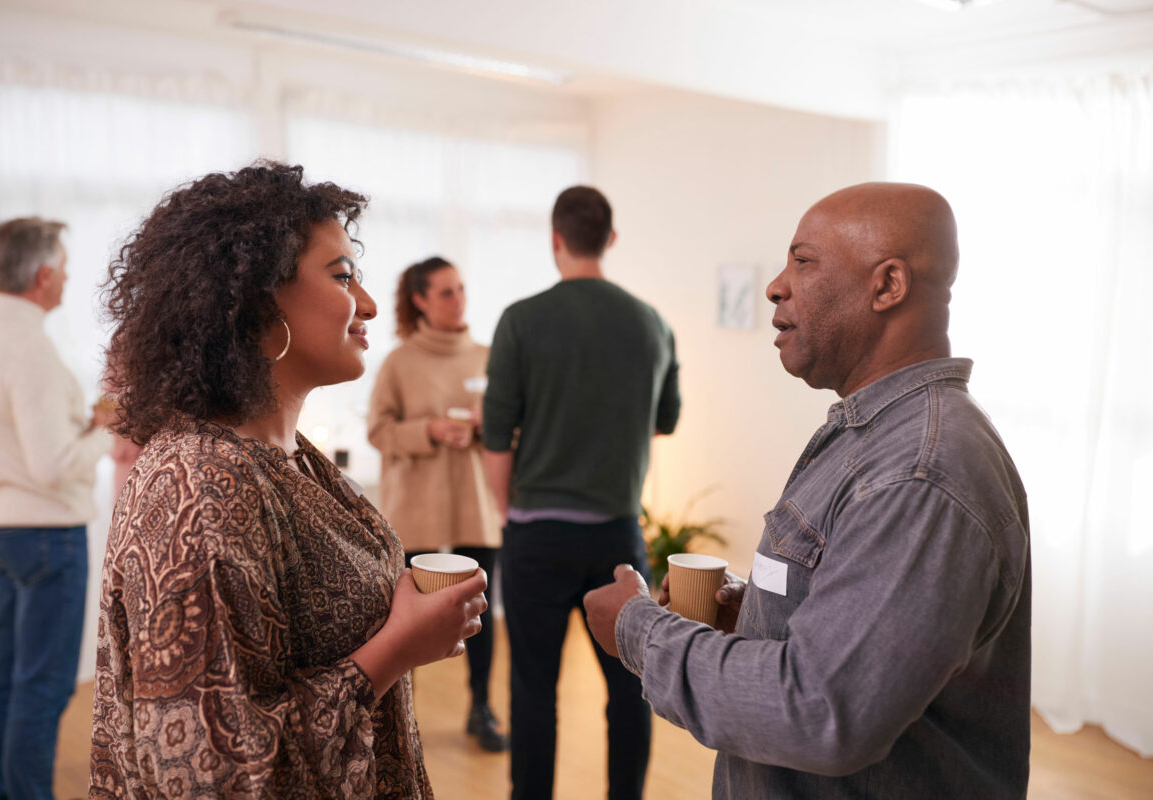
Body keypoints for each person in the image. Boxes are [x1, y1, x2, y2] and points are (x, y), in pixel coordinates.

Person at [583, 182, 1031, 798]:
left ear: (888, 286)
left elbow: (821, 711)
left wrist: (636, 630)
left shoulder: (919, 474)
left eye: (803, 260)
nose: (775, 286)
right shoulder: (872, 433)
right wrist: (757, 612)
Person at [88, 162, 488, 800]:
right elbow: (218, 775)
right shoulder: (200, 488)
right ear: (256, 301)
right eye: (342, 276)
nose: (368, 304)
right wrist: (399, 645)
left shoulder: (287, 454)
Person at [482, 185, 681, 800]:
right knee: (631, 687)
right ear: (610, 239)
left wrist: (511, 517)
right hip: (617, 533)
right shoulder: (653, 324)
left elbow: (495, 439)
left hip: (536, 533)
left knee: (534, 688)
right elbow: (664, 419)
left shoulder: (520, 319)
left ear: (555, 239)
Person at [0, 217, 113, 800]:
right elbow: (50, 466)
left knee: (3, 677)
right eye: (65, 266)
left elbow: (17, 440)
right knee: (43, 687)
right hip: (48, 534)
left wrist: (84, 424)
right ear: (44, 275)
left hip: (0, 529)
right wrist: (108, 430)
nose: (69, 275)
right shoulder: (31, 347)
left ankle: (3, 793)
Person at [368, 256, 507, 752]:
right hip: (417, 511)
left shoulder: (490, 355)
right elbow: (378, 431)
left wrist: (485, 425)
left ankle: (482, 709)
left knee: (481, 613)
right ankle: (404, 720)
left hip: (476, 506)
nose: (459, 299)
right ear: (420, 300)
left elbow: (513, 430)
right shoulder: (398, 362)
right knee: (407, 618)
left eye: (462, 288)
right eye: (446, 292)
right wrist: (429, 429)